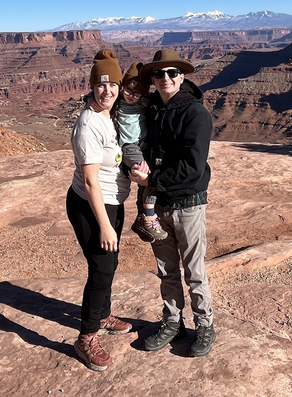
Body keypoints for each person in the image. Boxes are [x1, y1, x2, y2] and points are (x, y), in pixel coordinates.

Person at [129, 49, 216, 357]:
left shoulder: (195, 113)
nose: (165, 78)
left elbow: (192, 167)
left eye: (171, 73)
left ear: (182, 76)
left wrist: (150, 181)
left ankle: (204, 325)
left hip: (187, 204)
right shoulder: (150, 110)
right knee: (166, 270)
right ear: (152, 79)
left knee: (194, 271)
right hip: (156, 206)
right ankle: (173, 323)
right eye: (158, 74)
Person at [66, 48, 133, 372]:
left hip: (113, 201)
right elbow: (91, 182)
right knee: (102, 267)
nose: (107, 91)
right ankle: (87, 336)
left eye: (113, 85)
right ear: (92, 87)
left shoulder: (113, 114)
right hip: (90, 205)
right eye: (101, 85)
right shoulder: (88, 124)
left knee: (110, 262)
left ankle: (103, 314)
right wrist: (104, 226)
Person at [118, 61, 168, 243]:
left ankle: (142, 216)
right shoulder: (116, 99)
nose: (131, 96)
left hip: (145, 144)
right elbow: (98, 91)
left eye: (137, 93)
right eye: (128, 91)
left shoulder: (145, 101)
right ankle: (148, 217)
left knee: (155, 174)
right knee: (147, 173)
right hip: (129, 146)